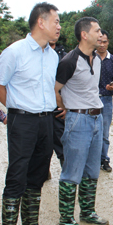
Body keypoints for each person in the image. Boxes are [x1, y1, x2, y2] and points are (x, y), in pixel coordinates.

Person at [0, 2, 61, 225]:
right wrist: (15, 110)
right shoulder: (15, 52)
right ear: (41, 22)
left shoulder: (52, 55)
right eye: (56, 21)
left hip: (46, 121)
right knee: (17, 173)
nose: (59, 27)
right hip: (22, 121)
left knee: (39, 172)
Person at [55, 17, 109, 225]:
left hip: (97, 118)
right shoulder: (69, 61)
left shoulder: (97, 59)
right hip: (78, 120)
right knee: (72, 170)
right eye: (97, 31)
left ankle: (87, 212)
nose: (101, 35)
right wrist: (65, 107)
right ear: (84, 35)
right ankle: (66, 218)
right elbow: (55, 89)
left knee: (92, 169)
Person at [97, 30, 113, 172]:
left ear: (108, 42)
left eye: (104, 41)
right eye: (99, 41)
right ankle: (92, 160)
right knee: (90, 131)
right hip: (90, 100)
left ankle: (104, 159)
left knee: (104, 132)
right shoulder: (89, 58)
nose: (102, 44)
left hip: (106, 100)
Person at [49, 37, 68, 175]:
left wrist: (67, 106)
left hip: (59, 107)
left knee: (61, 141)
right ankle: (43, 171)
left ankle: (67, 176)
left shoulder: (65, 57)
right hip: (38, 108)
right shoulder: (33, 54)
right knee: (41, 143)